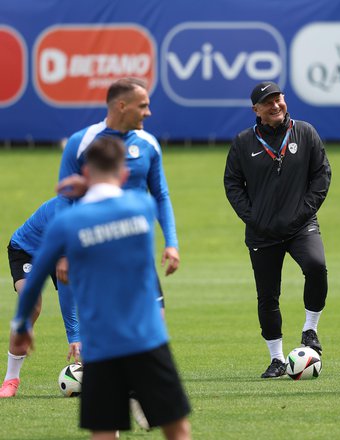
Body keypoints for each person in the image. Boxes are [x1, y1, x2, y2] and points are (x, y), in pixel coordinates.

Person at [10, 136, 191, 439]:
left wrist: (21, 327)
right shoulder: (142, 206)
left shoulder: (66, 224)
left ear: (84, 173)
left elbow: (32, 287)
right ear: (123, 175)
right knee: (177, 428)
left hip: (101, 346)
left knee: (104, 432)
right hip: (147, 337)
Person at [224, 81, 331, 378]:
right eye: (267, 102)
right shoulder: (244, 142)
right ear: (256, 110)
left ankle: (310, 329)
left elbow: (321, 175)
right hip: (262, 232)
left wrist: (303, 212)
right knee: (268, 297)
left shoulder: (305, 133)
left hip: (301, 225)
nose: (275, 106)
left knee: (317, 266)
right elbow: (232, 184)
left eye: (278, 99)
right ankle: (276, 359)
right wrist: (253, 217)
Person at [58, 77, 180, 298]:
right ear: (121, 106)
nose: (148, 112)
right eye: (143, 106)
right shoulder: (81, 142)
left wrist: (171, 243)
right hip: (95, 248)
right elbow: (65, 200)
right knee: (104, 325)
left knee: (154, 320)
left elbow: (161, 195)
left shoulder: (149, 143)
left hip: (136, 249)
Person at [0, 195, 78, 398]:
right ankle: (11, 379)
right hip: (26, 250)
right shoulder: (64, 212)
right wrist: (74, 336)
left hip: (60, 253)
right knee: (31, 308)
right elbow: (65, 287)